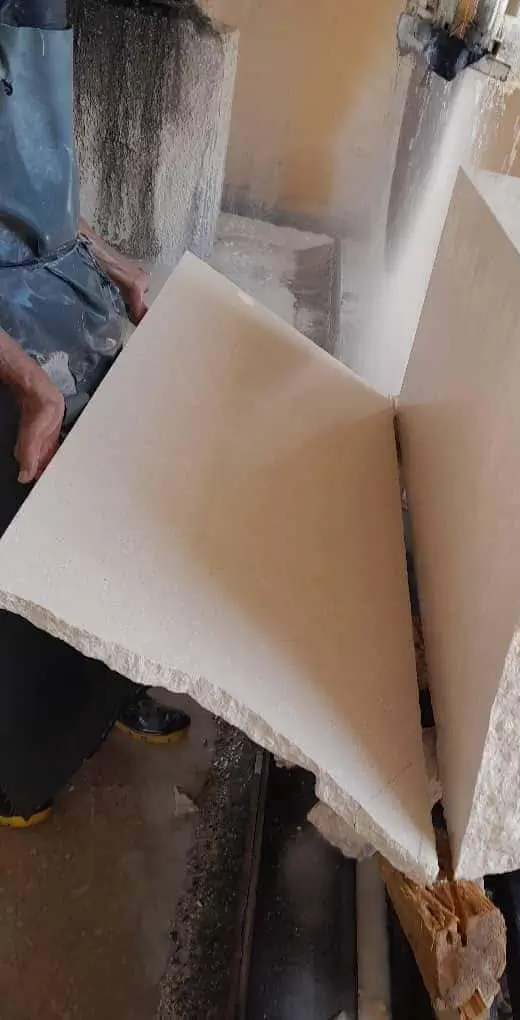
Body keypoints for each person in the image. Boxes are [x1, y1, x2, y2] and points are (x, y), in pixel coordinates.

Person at [0, 0, 190, 827]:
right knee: (20, 566)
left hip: (54, 289)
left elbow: (35, 175)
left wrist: (114, 266)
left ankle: (101, 691)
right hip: (8, 350)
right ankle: (21, 767)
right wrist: (31, 386)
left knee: (104, 525)